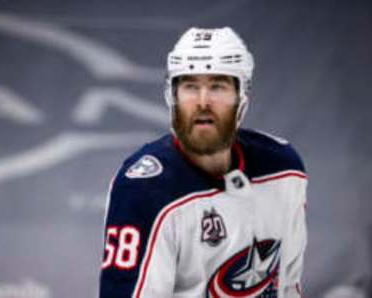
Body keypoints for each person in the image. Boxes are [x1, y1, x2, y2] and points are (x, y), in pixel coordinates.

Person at [99, 27, 308, 298]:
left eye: (217, 86)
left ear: (241, 97)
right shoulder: (143, 190)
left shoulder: (283, 168)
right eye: (190, 86)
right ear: (172, 97)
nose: (202, 102)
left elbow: (289, 287)